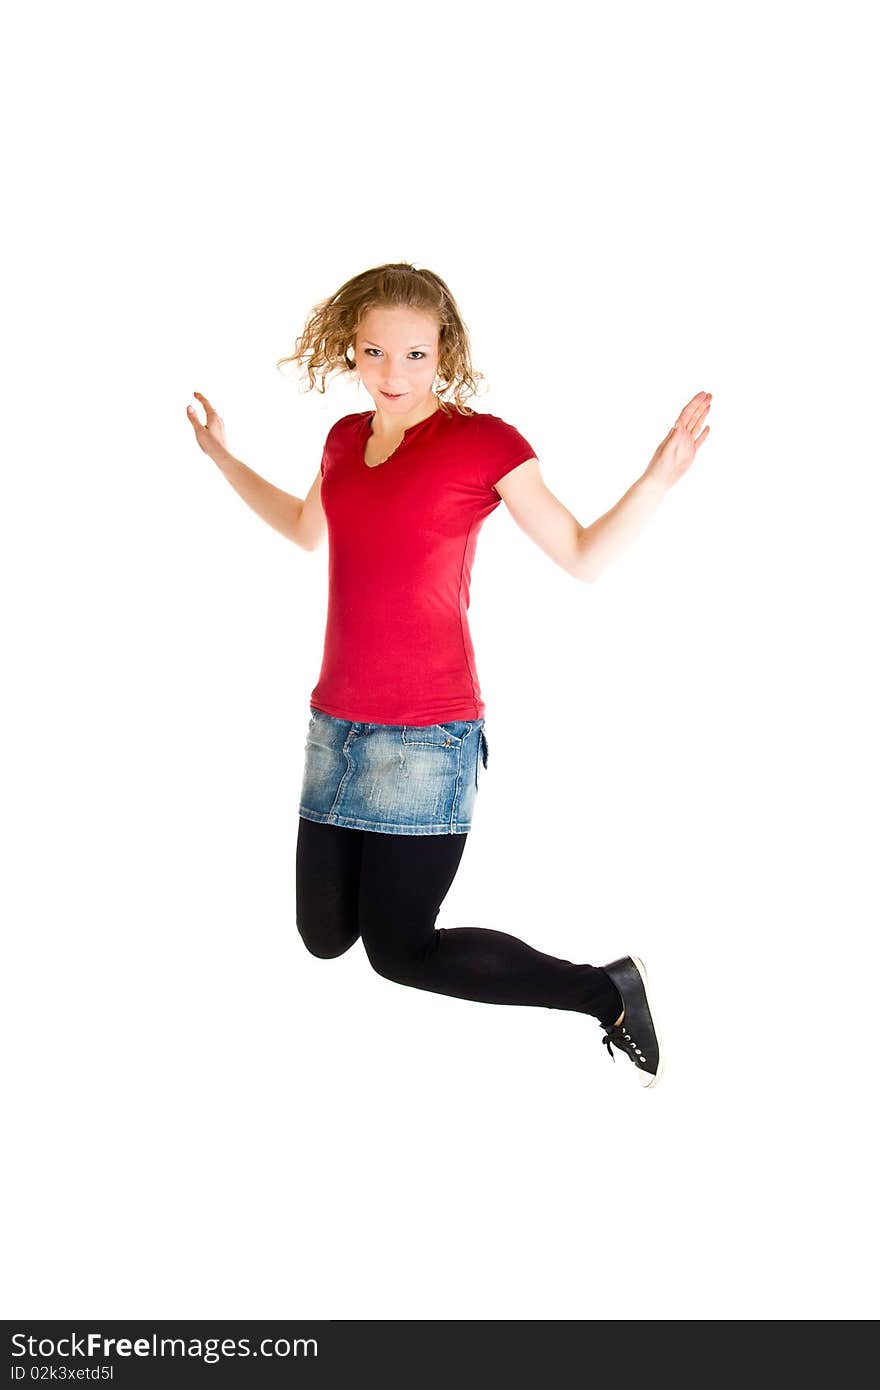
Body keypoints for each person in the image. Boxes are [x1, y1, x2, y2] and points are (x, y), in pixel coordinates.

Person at [186, 261, 712, 1088]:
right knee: (323, 936)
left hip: (426, 738)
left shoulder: (482, 443)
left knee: (398, 953)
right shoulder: (341, 442)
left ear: (446, 353)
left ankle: (604, 992)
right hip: (336, 729)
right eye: (373, 352)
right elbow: (301, 527)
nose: (392, 375)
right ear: (348, 349)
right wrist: (221, 457)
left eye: (415, 355)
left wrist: (656, 479)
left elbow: (582, 555)